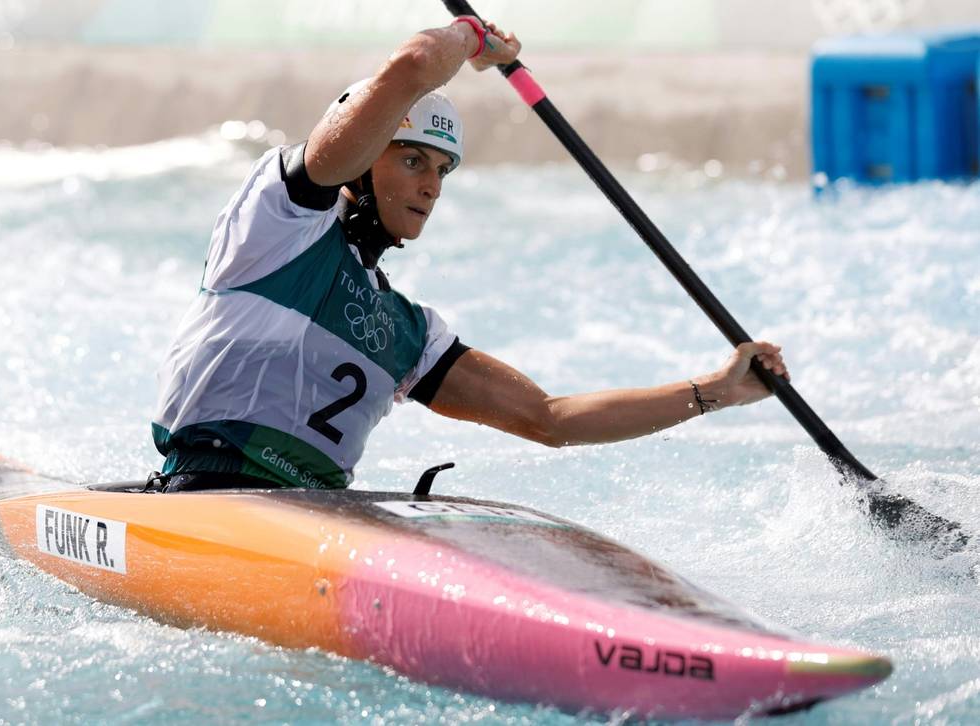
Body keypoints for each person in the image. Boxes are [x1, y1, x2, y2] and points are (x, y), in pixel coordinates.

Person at [151, 16, 788, 492]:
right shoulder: (277, 226)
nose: (431, 185)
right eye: (412, 160)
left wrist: (715, 391)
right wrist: (474, 39)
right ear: (363, 157)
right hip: (206, 493)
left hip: (314, 517)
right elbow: (414, 64)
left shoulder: (407, 331)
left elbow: (551, 419)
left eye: (441, 170)